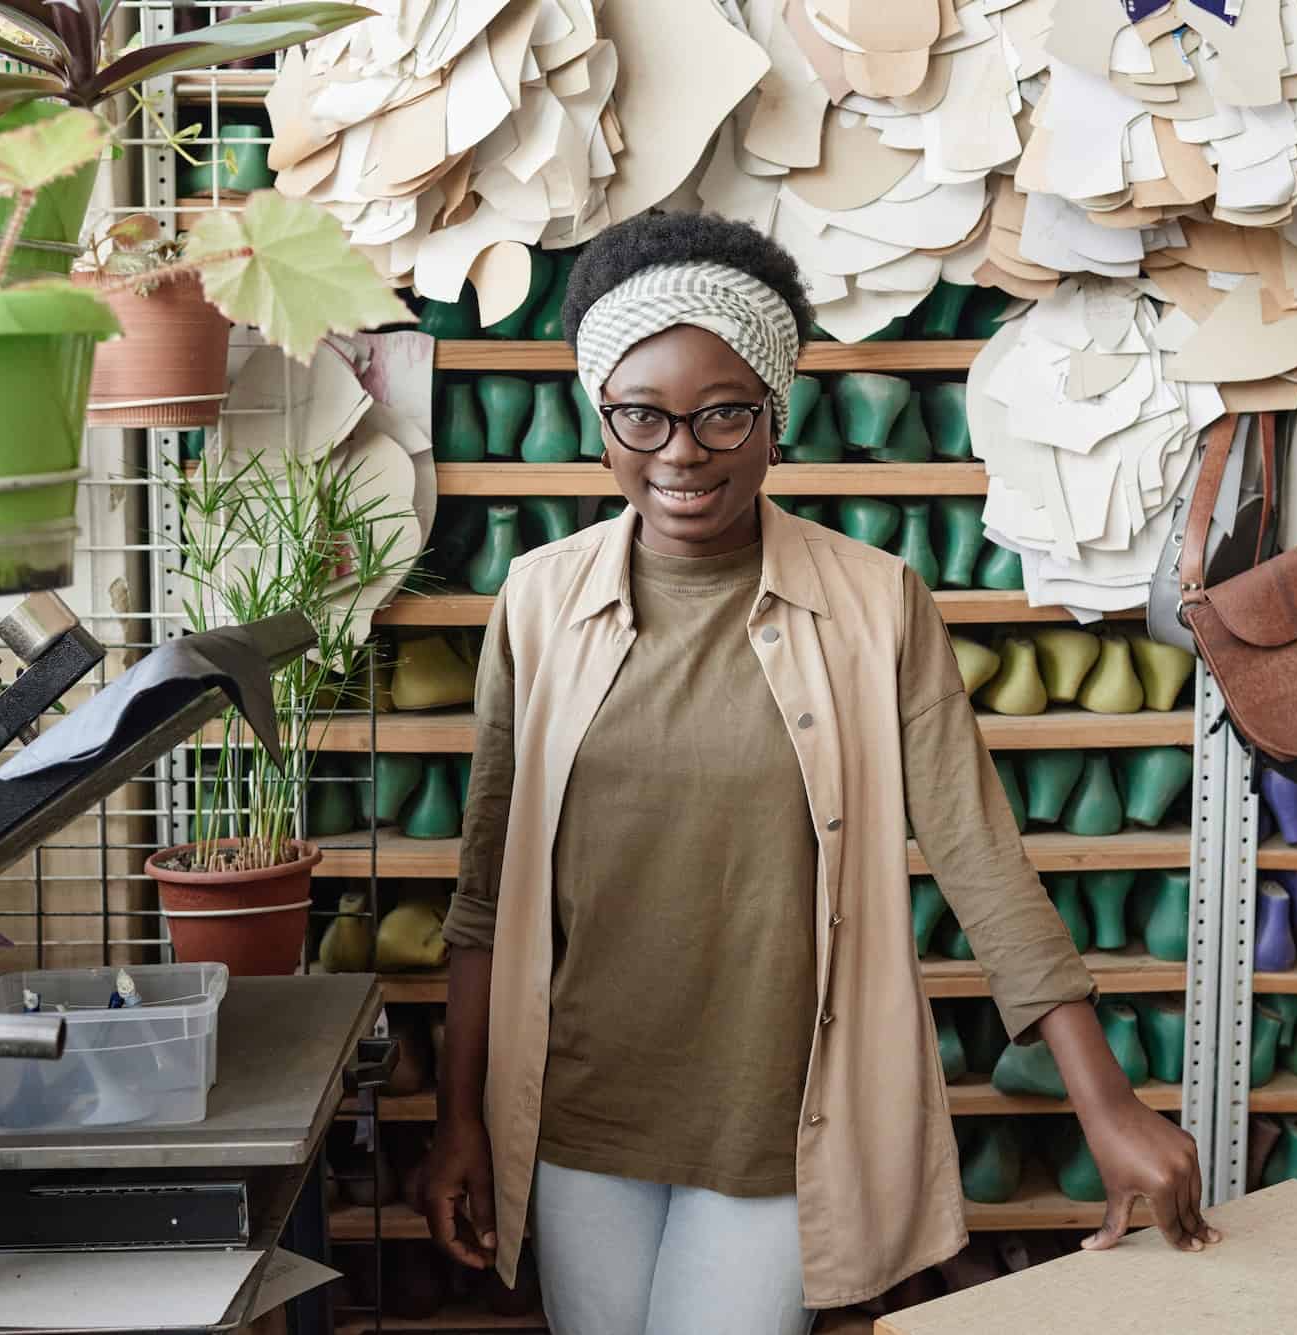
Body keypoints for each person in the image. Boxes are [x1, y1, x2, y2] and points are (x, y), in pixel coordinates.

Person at [423, 211, 1219, 1335]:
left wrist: (1104, 1103)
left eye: (721, 414)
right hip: (575, 1116)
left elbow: (981, 863)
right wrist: (460, 1121)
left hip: (778, 1124)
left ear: (774, 421)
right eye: (641, 415)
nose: (680, 451)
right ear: (599, 424)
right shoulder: (539, 602)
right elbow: (483, 896)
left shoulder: (874, 600)